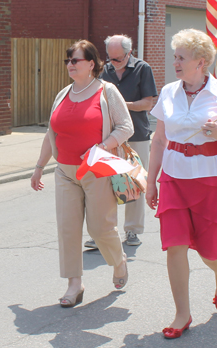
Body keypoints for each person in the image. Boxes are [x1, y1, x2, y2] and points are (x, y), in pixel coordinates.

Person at [146, 29, 217, 339]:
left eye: (181, 57)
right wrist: (151, 182)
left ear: (201, 62)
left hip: (211, 179)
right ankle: (182, 313)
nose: (175, 62)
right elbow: (160, 140)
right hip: (174, 178)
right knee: (174, 246)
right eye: (174, 56)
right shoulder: (168, 92)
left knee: (210, 252)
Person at [30, 40, 134, 307]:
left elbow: (125, 127)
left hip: (96, 169)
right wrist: (39, 167)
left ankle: (118, 261)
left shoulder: (106, 91)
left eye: (75, 60)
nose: (70, 65)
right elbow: (52, 133)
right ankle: (74, 284)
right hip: (64, 171)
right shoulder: (63, 94)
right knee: (68, 229)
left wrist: (101, 147)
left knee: (100, 228)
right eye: (68, 60)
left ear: (91, 64)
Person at [84, 34, 157, 249]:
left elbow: (148, 103)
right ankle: (104, 233)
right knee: (105, 187)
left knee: (134, 184)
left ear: (129, 54)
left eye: (118, 59)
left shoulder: (143, 69)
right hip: (108, 137)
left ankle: (133, 230)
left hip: (136, 136)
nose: (113, 63)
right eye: (110, 58)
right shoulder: (104, 71)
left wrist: (122, 105)